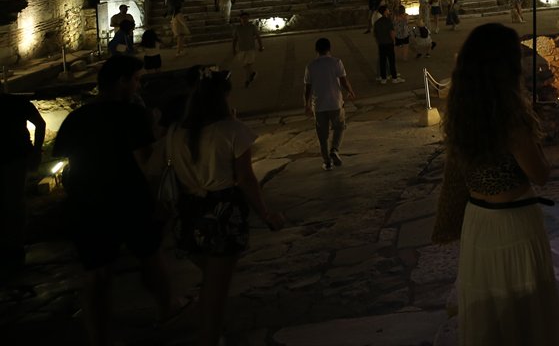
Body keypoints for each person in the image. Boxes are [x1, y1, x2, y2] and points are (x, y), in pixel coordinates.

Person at [442, 23, 559, 345]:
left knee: (489, 307)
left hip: (478, 221)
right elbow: (539, 174)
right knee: (523, 310)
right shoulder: (511, 119)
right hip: (513, 222)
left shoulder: (459, 112)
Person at [53, 55, 179, 343]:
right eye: (136, 80)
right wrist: (157, 132)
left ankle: (98, 335)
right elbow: (145, 161)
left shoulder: (77, 117)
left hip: (88, 202)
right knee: (149, 257)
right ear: (122, 81)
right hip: (129, 199)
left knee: (97, 273)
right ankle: (166, 309)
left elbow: (66, 159)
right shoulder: (130, 114)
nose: (138, 86)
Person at [169, 67, 285, 346]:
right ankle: (209, 337)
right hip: (221, 212)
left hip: (188, 211)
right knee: (216, 286)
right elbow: (245, 178)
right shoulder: (232, 130)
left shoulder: (175, 133)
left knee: (211, 277)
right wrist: (266, 214)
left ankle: (210, 330)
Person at [0, 86, 45, 275]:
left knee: (12, 202)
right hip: (17, 156)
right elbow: (40, 124)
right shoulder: (18, 102)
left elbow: (40, 124)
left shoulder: (16, 103)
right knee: (15, 202)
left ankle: (12, 247)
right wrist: (36, 151)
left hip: (13, 157)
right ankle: (15, 246)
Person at [303, 38, 356, 170]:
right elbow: (343, 80)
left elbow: (307, 88)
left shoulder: (311, 66)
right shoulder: (336, 62)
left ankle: (327, 162)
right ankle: (335, 149)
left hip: (319, 104)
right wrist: (350, 91)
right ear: (329, 49)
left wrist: (307, 104)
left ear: (316, 50)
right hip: (335, 102)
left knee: (322, 135)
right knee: (339, 127)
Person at [231, 11, 264, 89]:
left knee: (246, 65)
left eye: (246, 18)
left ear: (248, 18)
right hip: (242, 49)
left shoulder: (252, 27)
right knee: (246, 65)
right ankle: (252, 74)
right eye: (243, 18)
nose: (245, 19)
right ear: (240, 19)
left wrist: (261, 46)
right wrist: (233, 49)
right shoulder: (237, 28)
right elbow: (235, 39)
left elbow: (258, 37)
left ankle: (247, 80)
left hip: (250, 49)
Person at [372, 5, 400, 84]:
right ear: (384, 11)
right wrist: (394, 40)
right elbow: (391, 32)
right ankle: (394, 77)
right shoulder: (388, 21)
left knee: (382, 61)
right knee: (391, 60)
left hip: (381, 44)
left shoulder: (377, 22)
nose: (388, 11)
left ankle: (383, 78)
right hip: (388, 43)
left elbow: (375, 34)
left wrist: (378, 41)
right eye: (387, 10)